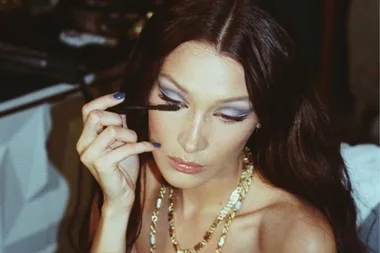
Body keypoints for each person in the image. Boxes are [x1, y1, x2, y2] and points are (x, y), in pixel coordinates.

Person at [76, 0, 367, 252]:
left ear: (263, 116)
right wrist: (116, 210)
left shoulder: (293, 237)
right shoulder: (129, 182)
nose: (191, 142)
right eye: (172, 101)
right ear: (147, 87)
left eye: (229, 114)